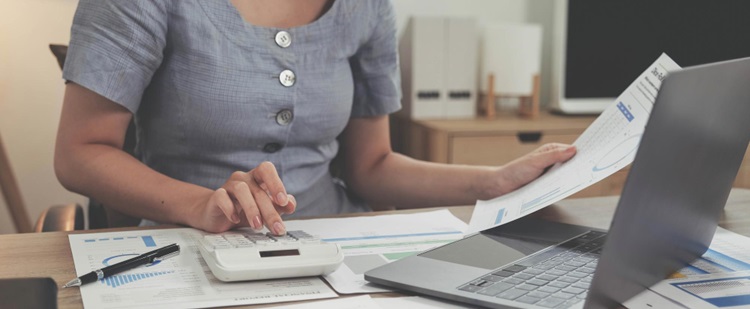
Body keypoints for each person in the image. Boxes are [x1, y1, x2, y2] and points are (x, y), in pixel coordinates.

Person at [54, 0, 576, 235]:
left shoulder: (366, 6)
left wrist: (495, 180)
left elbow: (372, 165)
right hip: (190, 245)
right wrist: (199, 205)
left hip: (340, 249)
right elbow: (80, 152)